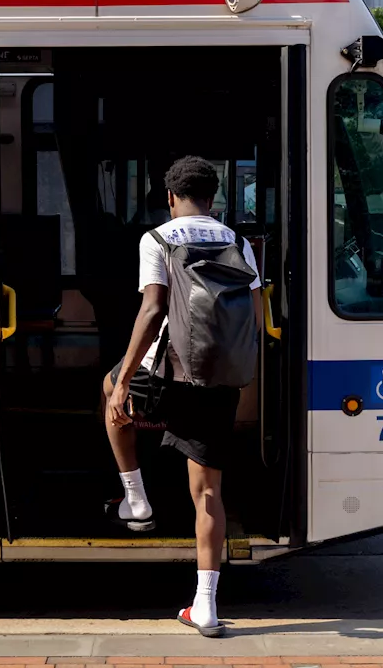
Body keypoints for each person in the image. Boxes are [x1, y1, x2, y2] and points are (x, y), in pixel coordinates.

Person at [100, 156, 262, 637]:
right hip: (218, 379)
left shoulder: (159, 239)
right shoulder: (239, 242)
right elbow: (253, 315)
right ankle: (205, 606)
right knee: (209, 492)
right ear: (214, 199)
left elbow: (152, 310)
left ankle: (136, 499)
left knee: (110, 391)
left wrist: (127, 378)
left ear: (170, 197)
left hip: (166, 374)